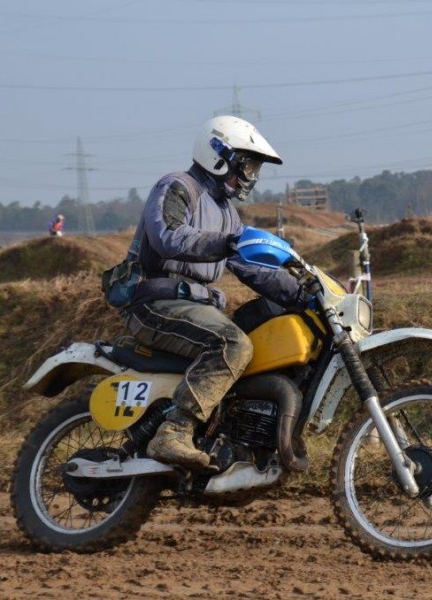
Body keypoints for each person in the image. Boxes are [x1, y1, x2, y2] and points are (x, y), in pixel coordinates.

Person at [122, 115, 309, 471]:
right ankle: (174, 432)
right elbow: (168, 237)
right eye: (248, 165)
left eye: (254, 168)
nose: (251, 175)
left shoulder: (228, 214)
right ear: (218, 154)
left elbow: (251, 267)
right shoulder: (177, 187)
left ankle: (231, 440)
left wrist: (304, 292)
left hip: (193, 307)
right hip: (155, 301)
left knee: (262, 334)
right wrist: (226, 242)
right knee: (232, 345)